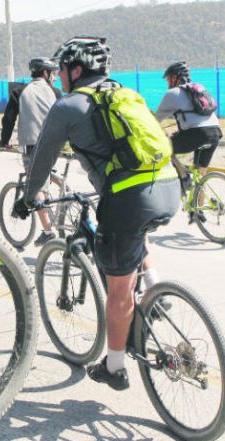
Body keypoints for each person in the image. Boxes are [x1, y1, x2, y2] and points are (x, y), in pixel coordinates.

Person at [13, 35, 181, 391]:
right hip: (167, 186)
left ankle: (115, 367)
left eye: (62, 69)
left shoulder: (68, 106)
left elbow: (42, 159)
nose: (58, 76)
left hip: (129, 198)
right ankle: (156, 292)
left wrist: (27, 199)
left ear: (76, 70)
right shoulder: (123, 94)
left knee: (119, 291)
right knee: (134, 233)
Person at [3, 57, 63, 246]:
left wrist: (4, 141)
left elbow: (8, 119)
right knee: (46, 172)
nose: (54, 77)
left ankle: (48, 232)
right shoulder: (56, 92)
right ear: (45, 73)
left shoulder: (20, 91)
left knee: (35, 186)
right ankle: (63, 189)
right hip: (56, 144)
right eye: (53, 74)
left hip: (32, 145)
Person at [156, 61, 223, 224]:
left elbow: (155, 120)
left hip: (196, 134)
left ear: (174, 78)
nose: (167, 83)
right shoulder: (199, 89)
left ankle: (184, 176)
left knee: (166, 148)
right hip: (215, 132)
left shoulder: (172, 93)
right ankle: (197, 210)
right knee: (200, 174)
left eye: (168, 80)